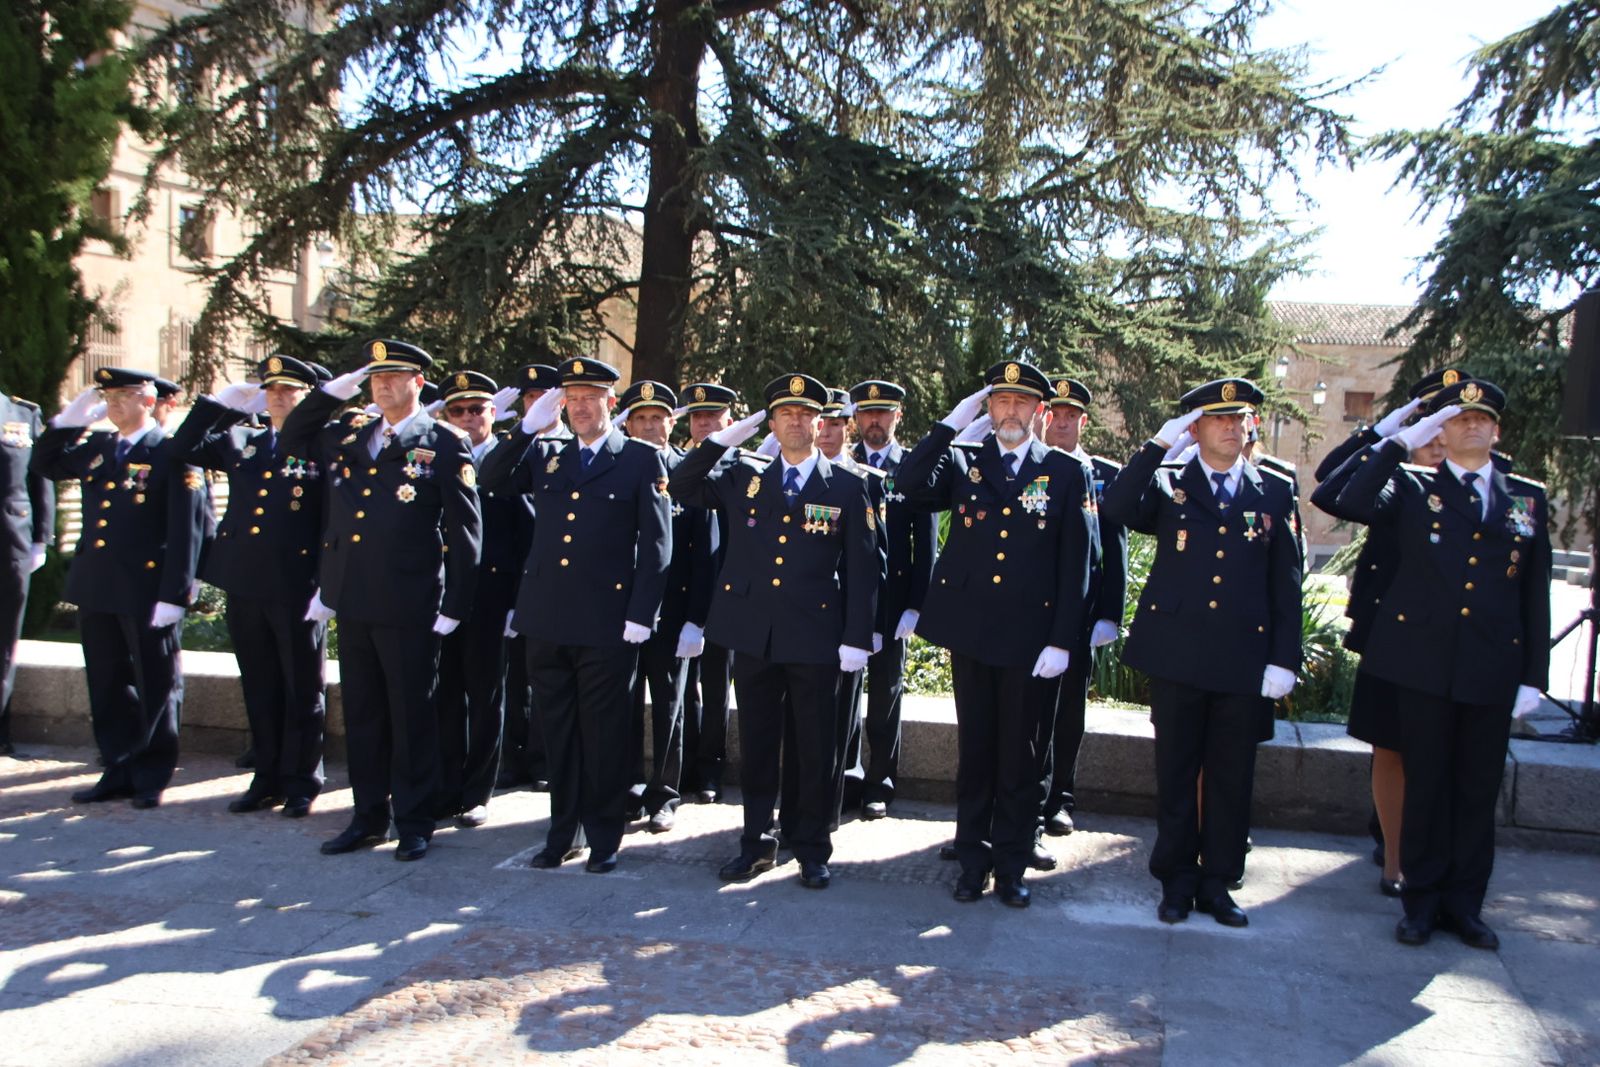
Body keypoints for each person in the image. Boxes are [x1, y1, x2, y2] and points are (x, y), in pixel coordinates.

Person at [1332, 378, 1550, 950]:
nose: (1471, 425)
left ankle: (1466, 907)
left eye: (1481, 419)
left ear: (1497, 430)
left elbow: (1534, 592)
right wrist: (1399, 443)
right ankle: (1420, 903)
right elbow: (1341, 499)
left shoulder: (1527, 497)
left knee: (1477, 792)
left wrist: (1535, 675)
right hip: (1422, 666)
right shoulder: (1409, 486)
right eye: (1458, 419)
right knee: (1425, 786)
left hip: (1490, 667)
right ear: (1442, 432)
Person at [1099, 377, 1301, 928]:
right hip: (1178, 657)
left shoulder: (1274, 491)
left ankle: (1219, 882)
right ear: (1196, 428)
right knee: (1177, 771)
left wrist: (1285, 658)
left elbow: (1287, 582)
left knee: (1232, 777)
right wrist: (1157, 447)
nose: (1233, 428)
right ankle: (1176, 880)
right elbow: (1114, 507)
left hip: (1243, 659)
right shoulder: (1169, 485)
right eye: (1219, 419)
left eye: (1240, 420)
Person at [895, 360, 1094, 909]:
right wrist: (949, 425)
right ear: (988, 410)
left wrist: (1062, 640)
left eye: (1021, 403)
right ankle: (971, 860)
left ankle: (1010, 866)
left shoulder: (1064, 472)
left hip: (1032, 642)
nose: (1010, 412)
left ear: (1039, 412)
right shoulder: (963, 462)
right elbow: (907, 484)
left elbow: (1076, 564)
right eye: (1000, 402)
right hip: (972, 634)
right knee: (976, 752)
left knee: (1021, 758)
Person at [668, 373, 878, 890]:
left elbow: (864, 568)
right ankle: (756, 842)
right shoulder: (744, 476)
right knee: (759, 744)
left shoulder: (850, 486)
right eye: (786, 414)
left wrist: (857, 637)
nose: (798, 423)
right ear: (773, 421)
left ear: (821, 422)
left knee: (814, 746)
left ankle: (811, 848)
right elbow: (682, 484)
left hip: (815, 636)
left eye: (807, 415)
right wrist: (722, 438)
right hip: (754, 633)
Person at [278, 339, 483, 862]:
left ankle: (414, 820)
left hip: (411, 600)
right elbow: (294, 435)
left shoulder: (442, 440)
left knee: (412, 716)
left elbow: (465, 531)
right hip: (354, 597)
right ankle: (367, 816)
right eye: (375, 378)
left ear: (418, 382)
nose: (382, 386)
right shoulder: (352, 435)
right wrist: (331, 391)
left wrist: (456, 604)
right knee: (365, 714)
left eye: (394, 377)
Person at [479, 357, 671, 873]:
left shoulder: (638, 459)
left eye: (591, 398)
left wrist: (641, 613)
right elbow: (490, 478)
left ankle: (605, 836)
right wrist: (524, 426)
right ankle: (563, 832)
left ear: (611, 402)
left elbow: (656, 546)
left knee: (604, 735)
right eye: (572, 399)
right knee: (558, 732)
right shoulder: (546, 454)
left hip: (608, 620)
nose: (582, 407)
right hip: (547, 617)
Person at [1310, 368, 1464, 895]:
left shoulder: (1476, 485)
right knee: (1391, 747)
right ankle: (1393, 849)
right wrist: (1386, 433)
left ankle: (1426, 852)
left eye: (1453, 423)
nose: (1439, 438)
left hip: (1454, 641)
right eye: (1430, 423)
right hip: (1390, 632)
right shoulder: (1394, 475)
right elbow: (1332, 484)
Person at [30, 367, 207, 808]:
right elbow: (44, 462)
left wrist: (177, 593)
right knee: (107, 681)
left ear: (148, 401)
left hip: (148, 589)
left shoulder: (170, 452)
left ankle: (152, 771)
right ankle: (118, 764)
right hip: (99, 585)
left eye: (123, 396)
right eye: (108, 398)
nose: (113, 405)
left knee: (156, 682)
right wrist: (71, 418)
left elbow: (189, 530)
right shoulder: (99, 446)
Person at [170, 355, 329, 818]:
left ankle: (302, 779)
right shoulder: (243, 438)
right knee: (259, 683)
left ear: (308, 398)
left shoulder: (324, 445)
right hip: (245, 580)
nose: (278, 396)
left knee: (302, 686)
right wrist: (221, 405)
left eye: (290, 390)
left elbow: (331, 518)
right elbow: (183, 447)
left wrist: (326, 583)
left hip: (297, 584)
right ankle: (267, 775)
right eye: (272, 389)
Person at [434, 370, 534, 829]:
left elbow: (527, 535)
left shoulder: (508, 459)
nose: (470, 417)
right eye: (459, 410)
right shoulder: (433, 455)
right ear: (445, 415)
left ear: (494, 413)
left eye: (478, 409)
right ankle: (445, 784)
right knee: (445, 694)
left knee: (486, 695)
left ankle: (476, 791)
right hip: (439, 594)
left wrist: (518, 601)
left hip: (491, 595)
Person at [617, 380, 713, 833]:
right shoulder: (614, 468)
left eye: (658, 418)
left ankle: (665, 794)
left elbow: (702, 557)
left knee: (670, 705)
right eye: (641, 419)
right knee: (624, 703)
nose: (651, 426)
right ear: (628, 423)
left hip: (672, 616)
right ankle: (630, 787)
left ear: (672, 423)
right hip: (619, 612)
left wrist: (696, 619)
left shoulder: (686, 474)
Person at [1037, 377, 1126, 842]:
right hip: (1032, 615)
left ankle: (1059, 800)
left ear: (1083, 422)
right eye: (1056, 413)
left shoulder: (1103, 474)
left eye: (1072, 415)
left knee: (1068, 710)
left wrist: (1111, 613)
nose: (1063, 422)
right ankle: (1027, 799)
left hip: (1079, 619)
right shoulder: (1031, 469)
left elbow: (1114, 549)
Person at [848, 379, 938, 820]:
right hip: (847, 603)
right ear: (856, 419)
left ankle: (879, 784)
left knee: (885, 695)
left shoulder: (911, 467)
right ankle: (846, 775)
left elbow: (928, 544)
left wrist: (915, 606)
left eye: (882, 413)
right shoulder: (843, 464)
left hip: (894, 603)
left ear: (897, 416)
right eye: (866, 414)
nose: (874, 421)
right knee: (842, 693)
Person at [493, 362, 562, 792]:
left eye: (545, 399)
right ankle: (511, 758)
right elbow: (494, 486)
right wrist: (516, 430)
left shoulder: (573, 448)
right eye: (529, 399)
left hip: (554, 585)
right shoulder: (515, 447)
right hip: (509, 581)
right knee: (510, 680)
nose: (535, 406)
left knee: (547, 682)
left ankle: (542, 760)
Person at [677, 382, 741, 803]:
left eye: (712, 417)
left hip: (727, 598)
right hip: (681, 595)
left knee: (716, 685)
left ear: (729, 422)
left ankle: (710, 770)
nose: (703, 423)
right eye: (697, 417)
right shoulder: (681, 465)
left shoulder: (744, 469)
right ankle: (681, 765)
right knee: (682, 688)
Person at [0, 392, 54, 756]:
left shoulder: (22, 412)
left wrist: (42, 538)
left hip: (10, 541)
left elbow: (40, 476)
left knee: (4, 640)